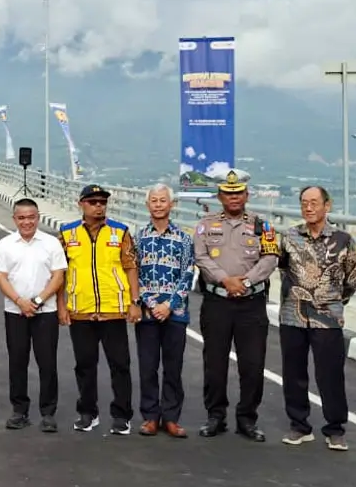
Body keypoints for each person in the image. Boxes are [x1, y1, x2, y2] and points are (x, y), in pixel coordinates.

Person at [193, 169, 278, 442]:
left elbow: (270, 258)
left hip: (251, 303)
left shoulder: (261, 225)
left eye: (238, 193)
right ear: (220, 196)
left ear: (246, 195)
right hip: (217, 302)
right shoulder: (205, 225)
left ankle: (247, 419)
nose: (234, 197)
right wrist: (225, 280)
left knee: (252, 364)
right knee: (215, 364)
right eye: (228, 193)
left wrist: (246, 281)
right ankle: (215, 416)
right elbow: (201, 256)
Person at [57, 184, 142, 435]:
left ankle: (122, 416)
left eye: (102, 202)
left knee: (120, 365)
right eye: (92, 202)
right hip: (80, 309)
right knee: (84, 365)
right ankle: (87, 413)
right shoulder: (67, 233)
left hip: (113, 310)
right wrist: (61, 306)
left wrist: (134, 302)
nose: (98, 206)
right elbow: (59, 272)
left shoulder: (120, 231)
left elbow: (131, 266)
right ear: (81, 204)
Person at [277, 185, 356, 451]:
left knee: (330, 374)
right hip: (293, 315)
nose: (308, 207)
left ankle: (335, 429)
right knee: (293, 373)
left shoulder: (343, 240)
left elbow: (352, 278)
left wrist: (335, 300)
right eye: (304, 203)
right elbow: (283, 269)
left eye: (314, 202)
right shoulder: (289, 237)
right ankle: (299, 426)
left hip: (328, 317)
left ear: (327, 205)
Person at [0, 198, 66, 433]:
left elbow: (58, 276)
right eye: (21, 218)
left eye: (31, 217)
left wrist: (38, 300)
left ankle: (48, 413)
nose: (27, 222)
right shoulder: (5, 244)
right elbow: (1, 277)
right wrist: (20, 301)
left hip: (45, 312)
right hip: (15, 312)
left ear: (38, 217)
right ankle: (19, 410)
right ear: (14, 219)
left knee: (47, 363)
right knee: (17, 361)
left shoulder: (51, 243)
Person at [133, 184, 194, 438]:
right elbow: (134, 273)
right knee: (148, 367)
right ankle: (150, 417)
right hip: (147, 314)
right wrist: (150, 303)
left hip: (175, 313)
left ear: (172, 204)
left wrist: (169, 305)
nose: (158, 205)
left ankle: (171, 418)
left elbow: (188, 272)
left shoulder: (183, 238)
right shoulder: (138, 237)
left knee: (173, 367)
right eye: (154, 201)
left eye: (163, 200)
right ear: (147, 205)